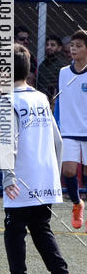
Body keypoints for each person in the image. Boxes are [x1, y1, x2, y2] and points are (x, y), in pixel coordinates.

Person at [0, 44, 76, 274]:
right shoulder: (39, 97)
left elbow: (9, 143)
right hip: (45, 177)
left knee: (14, 230)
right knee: (40, 228)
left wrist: (8, 177)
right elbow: (57, 141)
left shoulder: (6, 100)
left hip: (22, 177)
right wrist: (54, 173)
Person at [55, 29, 87, 230]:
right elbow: (60, 100)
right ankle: (77, 203)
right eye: (72, 45)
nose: (73, 49)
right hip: (68, 130)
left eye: (79, 46)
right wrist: (57, 125)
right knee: (68, 170)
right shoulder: (63, 72)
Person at [36, 34, 67, 103]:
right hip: (41, 100)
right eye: (47, 45)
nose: (48, 47)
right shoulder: (42, 65)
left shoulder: (63, 65)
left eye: (52, 45)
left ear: (59, 48)